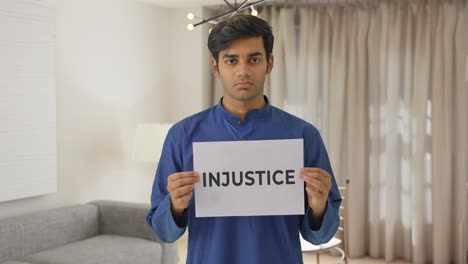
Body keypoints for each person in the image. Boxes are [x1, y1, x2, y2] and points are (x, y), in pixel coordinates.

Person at [146, 14, 341, 264]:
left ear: (269, 63)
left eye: (254, 59)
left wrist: (319, 206)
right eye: (231, 60)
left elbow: (320, 236)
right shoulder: (182, 135)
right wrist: (174, 206)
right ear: (216, 67)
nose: (243, 71)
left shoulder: (303, 135)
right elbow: (163, 232)